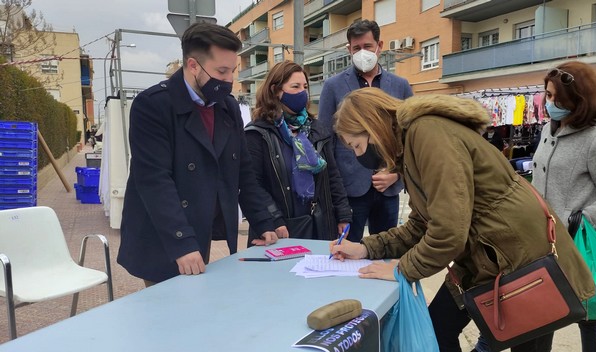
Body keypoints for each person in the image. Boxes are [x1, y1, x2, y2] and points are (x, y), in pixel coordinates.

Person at [329, 87, 596, 352]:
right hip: (488, 256)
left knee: (526, 345)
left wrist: (403, 269)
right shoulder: (410, 147)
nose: (358, 155)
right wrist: (365, 248)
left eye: (357, 146)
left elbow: (448, 231)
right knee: (439, 327)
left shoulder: (427, 135)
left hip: (521, 256)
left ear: (372, 127)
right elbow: (422, 224)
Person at [117, 23, 281, 286]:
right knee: (167, 317)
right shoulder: (152, 106)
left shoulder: (227, 108)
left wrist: (264, 221)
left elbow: (243, 172)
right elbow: (154, 180)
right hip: (165, 235)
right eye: (221, 71)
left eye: (233, 71)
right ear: (193, 65)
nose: (229, 80)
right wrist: (181, 242)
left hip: (202, 229)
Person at [531, 62, 596, 352]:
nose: (549, 102)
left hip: (578, 245)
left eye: (554, 97)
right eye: (546, 95)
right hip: (542, 244)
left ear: (576, 99)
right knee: (540, 314)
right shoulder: (548, 131)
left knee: (590, 317)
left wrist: (580, 220)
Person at [318, 19, 413, 243]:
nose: (363, 52)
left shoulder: (400, 85)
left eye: (368, 47)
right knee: (347, 252)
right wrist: (336, 191)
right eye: (356, 48)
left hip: (388, 188)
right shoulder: (333, 86)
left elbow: (411, 139)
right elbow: (325, 141)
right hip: (350, 191)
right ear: (348, 50)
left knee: (386, 250)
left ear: (379, 45)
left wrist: (397, 175)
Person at [244, 60, 352, 242]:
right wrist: (273, 219)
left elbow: (332, 175)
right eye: (295, 86)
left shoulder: (316, 128)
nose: (303, 92)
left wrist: (343, 214)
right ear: (275, 90)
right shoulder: (258, 133)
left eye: (305, 86)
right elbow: (253, 184)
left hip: (319, 225)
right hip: (279, 229)